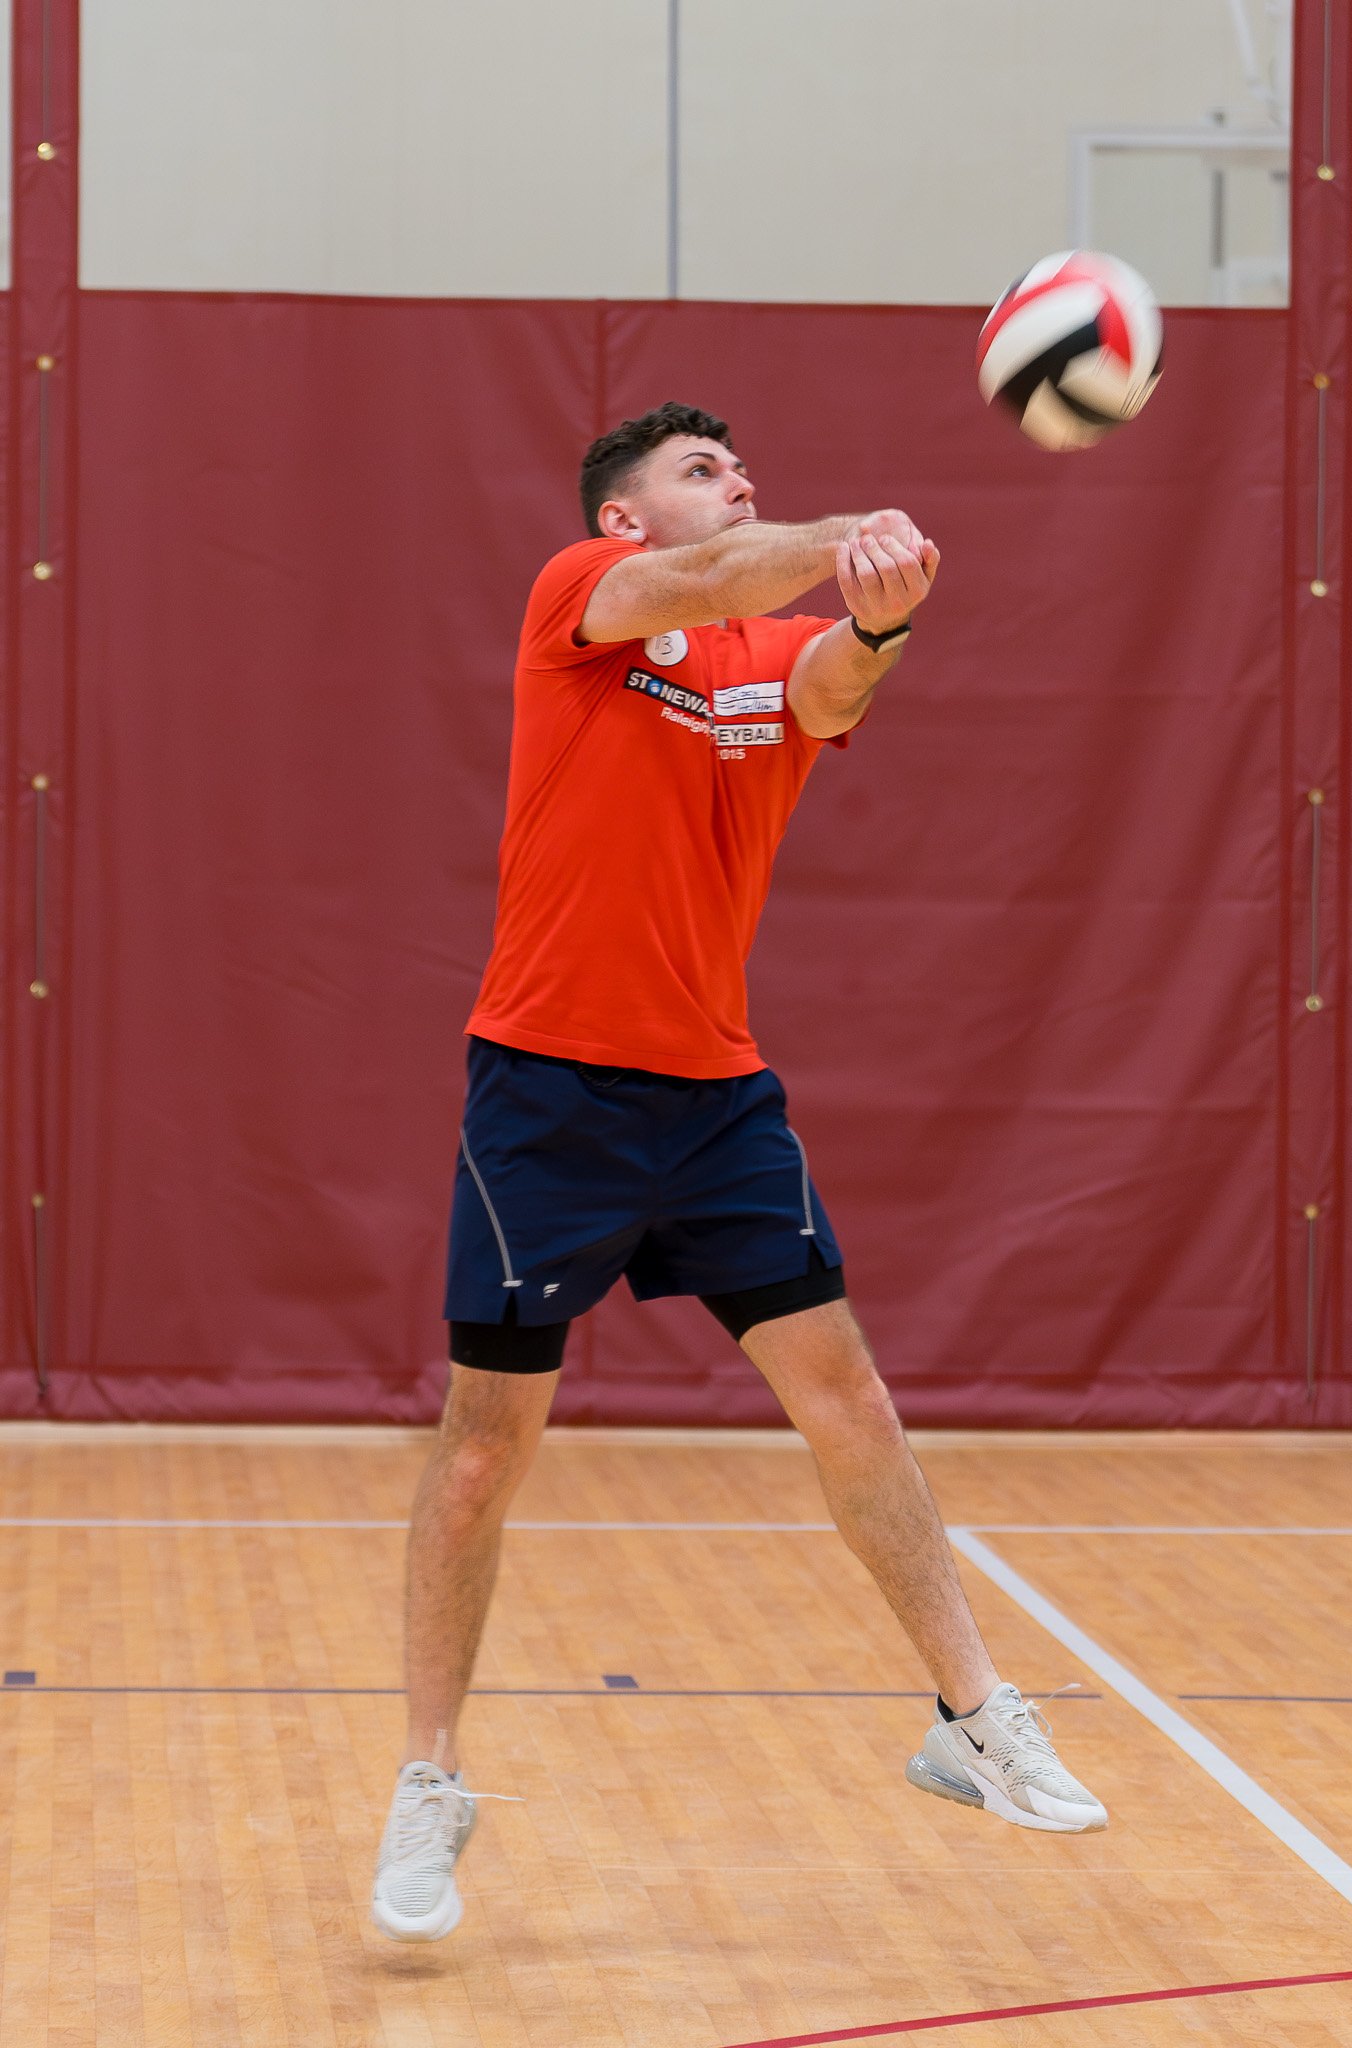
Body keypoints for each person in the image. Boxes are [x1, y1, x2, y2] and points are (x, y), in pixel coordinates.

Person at [371, 401, 1105, 1941]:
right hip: (548, 1091)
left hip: (714, 1099)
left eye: (744, 471)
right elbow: (711, 588)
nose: (738, 484)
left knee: (848, 1400)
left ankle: (969, 1718)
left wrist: (876, 621)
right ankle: (428, 1780)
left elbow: (829, 685)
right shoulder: (580, 594)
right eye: (704, 472)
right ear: (625, 518)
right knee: (487, 1448)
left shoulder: (765, 659)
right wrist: (836, 541)